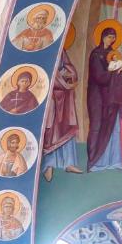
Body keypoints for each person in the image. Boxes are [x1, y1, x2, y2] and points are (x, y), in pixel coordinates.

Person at [86, 27, 122, 171]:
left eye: (113, 37)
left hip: (110, 96)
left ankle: (111, 161)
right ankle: (93, 162)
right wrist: (110, 71)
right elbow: (99, 77)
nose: (111, 39)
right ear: (103, 37)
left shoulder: (113, 54)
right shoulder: (96, 54)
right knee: (96, 126)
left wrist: (119, 70)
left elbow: (117, 75)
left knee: (111, 126)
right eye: (109, 36)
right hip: (96, 96)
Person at [42, 48, 81, 179]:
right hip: (50, 98)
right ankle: (49, 165)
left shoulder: (60, 50)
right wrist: (62, 79)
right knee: (51, 131)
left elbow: (69, 68)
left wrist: (70, 74)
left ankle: (69, 163)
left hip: (65, 98)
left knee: (66, 128)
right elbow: (46, 73)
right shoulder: (43, 50)